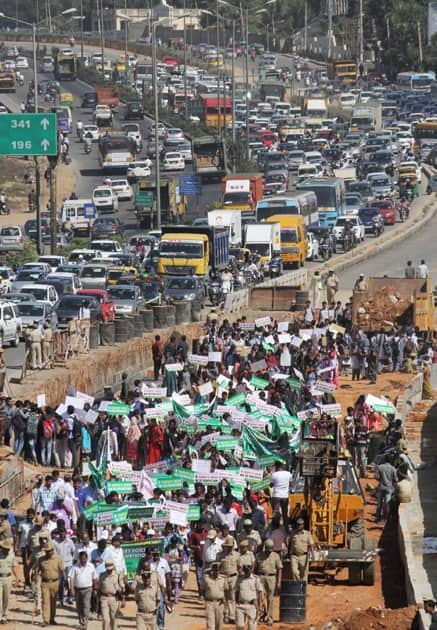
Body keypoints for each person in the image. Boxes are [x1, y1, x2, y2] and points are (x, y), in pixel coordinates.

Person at [36, 541, 66, 626]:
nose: (48, 552)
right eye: (46, 551)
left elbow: (62, 570)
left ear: (53, 550)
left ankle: (52, 619)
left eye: (49, 551)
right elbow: (37, 570)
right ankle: (45, 620)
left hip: (55, 583)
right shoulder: (41, 559)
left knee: (53, 602)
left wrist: (65, 580)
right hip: (45, 583)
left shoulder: (58, 559)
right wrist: (36, 577)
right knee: (45, 601)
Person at [255, 539, 282, 627]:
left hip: (271, 577)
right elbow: (255, 568)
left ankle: (269, 617)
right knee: (260, 597)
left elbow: (279, 568)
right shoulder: (259, 555)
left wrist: (278, 581)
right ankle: (262, 614)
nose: (268, 552)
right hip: (261, 576)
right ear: (265, 548)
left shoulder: (275, 556)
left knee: (270, 598)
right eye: (267, 550)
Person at [70, 550, 98, 630]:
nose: (83, 560)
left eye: (85, 559)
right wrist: (72, 589)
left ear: (87, 558)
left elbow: (94, 578)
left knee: (86, 606)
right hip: (77, 589)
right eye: (82, 559)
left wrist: (95, 589)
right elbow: (72, 578)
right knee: (79, 607)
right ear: (79, 558)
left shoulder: (91, 566)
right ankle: (81, 622)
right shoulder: (75, 567)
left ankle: (84, 623)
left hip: (88, 589)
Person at [217, 535, 239, 624]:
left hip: (233, 577)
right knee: (223, 597)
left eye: (230, 547)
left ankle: (232, 616)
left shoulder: (237, 555)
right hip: (223, 577)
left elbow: (239, 567)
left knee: (232, 597)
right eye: (227, 546)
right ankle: (225, 615)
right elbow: (217, 567)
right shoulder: (220, 555)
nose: (229, 548)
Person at [98, 559, 125, 630]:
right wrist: (98, 602)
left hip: (114, 599)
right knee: (105, 619)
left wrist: (123, 599)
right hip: (104, 598)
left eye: (110, 568)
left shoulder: (117, 575)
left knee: (114, 619)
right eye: (107, 568)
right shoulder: (102, 575)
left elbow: (122, 589)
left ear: (113, 567)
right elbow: (99, 589)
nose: (109, 570)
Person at [235, 564, 263, 630]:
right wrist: (236, 603)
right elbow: (236, 591)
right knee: (239, 626)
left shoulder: (256, 579)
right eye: (246, 570)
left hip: (252, 605)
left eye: (248, 570)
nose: (247, 572)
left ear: (251, 570)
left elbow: (259, 592)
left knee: (252, 627)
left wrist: (259, 605)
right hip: (240, 605)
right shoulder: (239, 579)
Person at [201, 561, 226, 630]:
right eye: (215, 570)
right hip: (209, 603)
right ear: (212, 571)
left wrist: (224, 600)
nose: (216, 572)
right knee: (210, 625)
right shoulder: (207, 579)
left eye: (217, 570)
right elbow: (202, 589)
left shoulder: (223, 579)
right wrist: (204, 598)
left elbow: (226, 590)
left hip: (220, 603)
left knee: (219, 624)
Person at [0, 537, 18, 624]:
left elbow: (14, 567)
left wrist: (17, 578)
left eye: (8, 549)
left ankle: (4, 616)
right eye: (5, 549)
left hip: (8, 578)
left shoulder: (11, 555)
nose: (6, 550)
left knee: (6, 598)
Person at [375, 454, 397, 522]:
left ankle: (378, 518)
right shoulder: (393, 468)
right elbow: (396, 479)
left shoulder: (379, 467)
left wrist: (381, 480)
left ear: (384, 460)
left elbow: (376, 477)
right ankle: (385, 519)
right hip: (389, 488)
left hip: (381, 487)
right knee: (387, 503)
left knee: (379, 504)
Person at [270, 461, 291, 529]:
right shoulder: (288, 474)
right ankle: (286, 527)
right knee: (285, 513)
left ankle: (275, 527)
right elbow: (290, 483)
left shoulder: (274, 475)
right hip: (285, 496)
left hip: (276, 496)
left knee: (276, 512)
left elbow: (271, 485)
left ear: (276, 466)